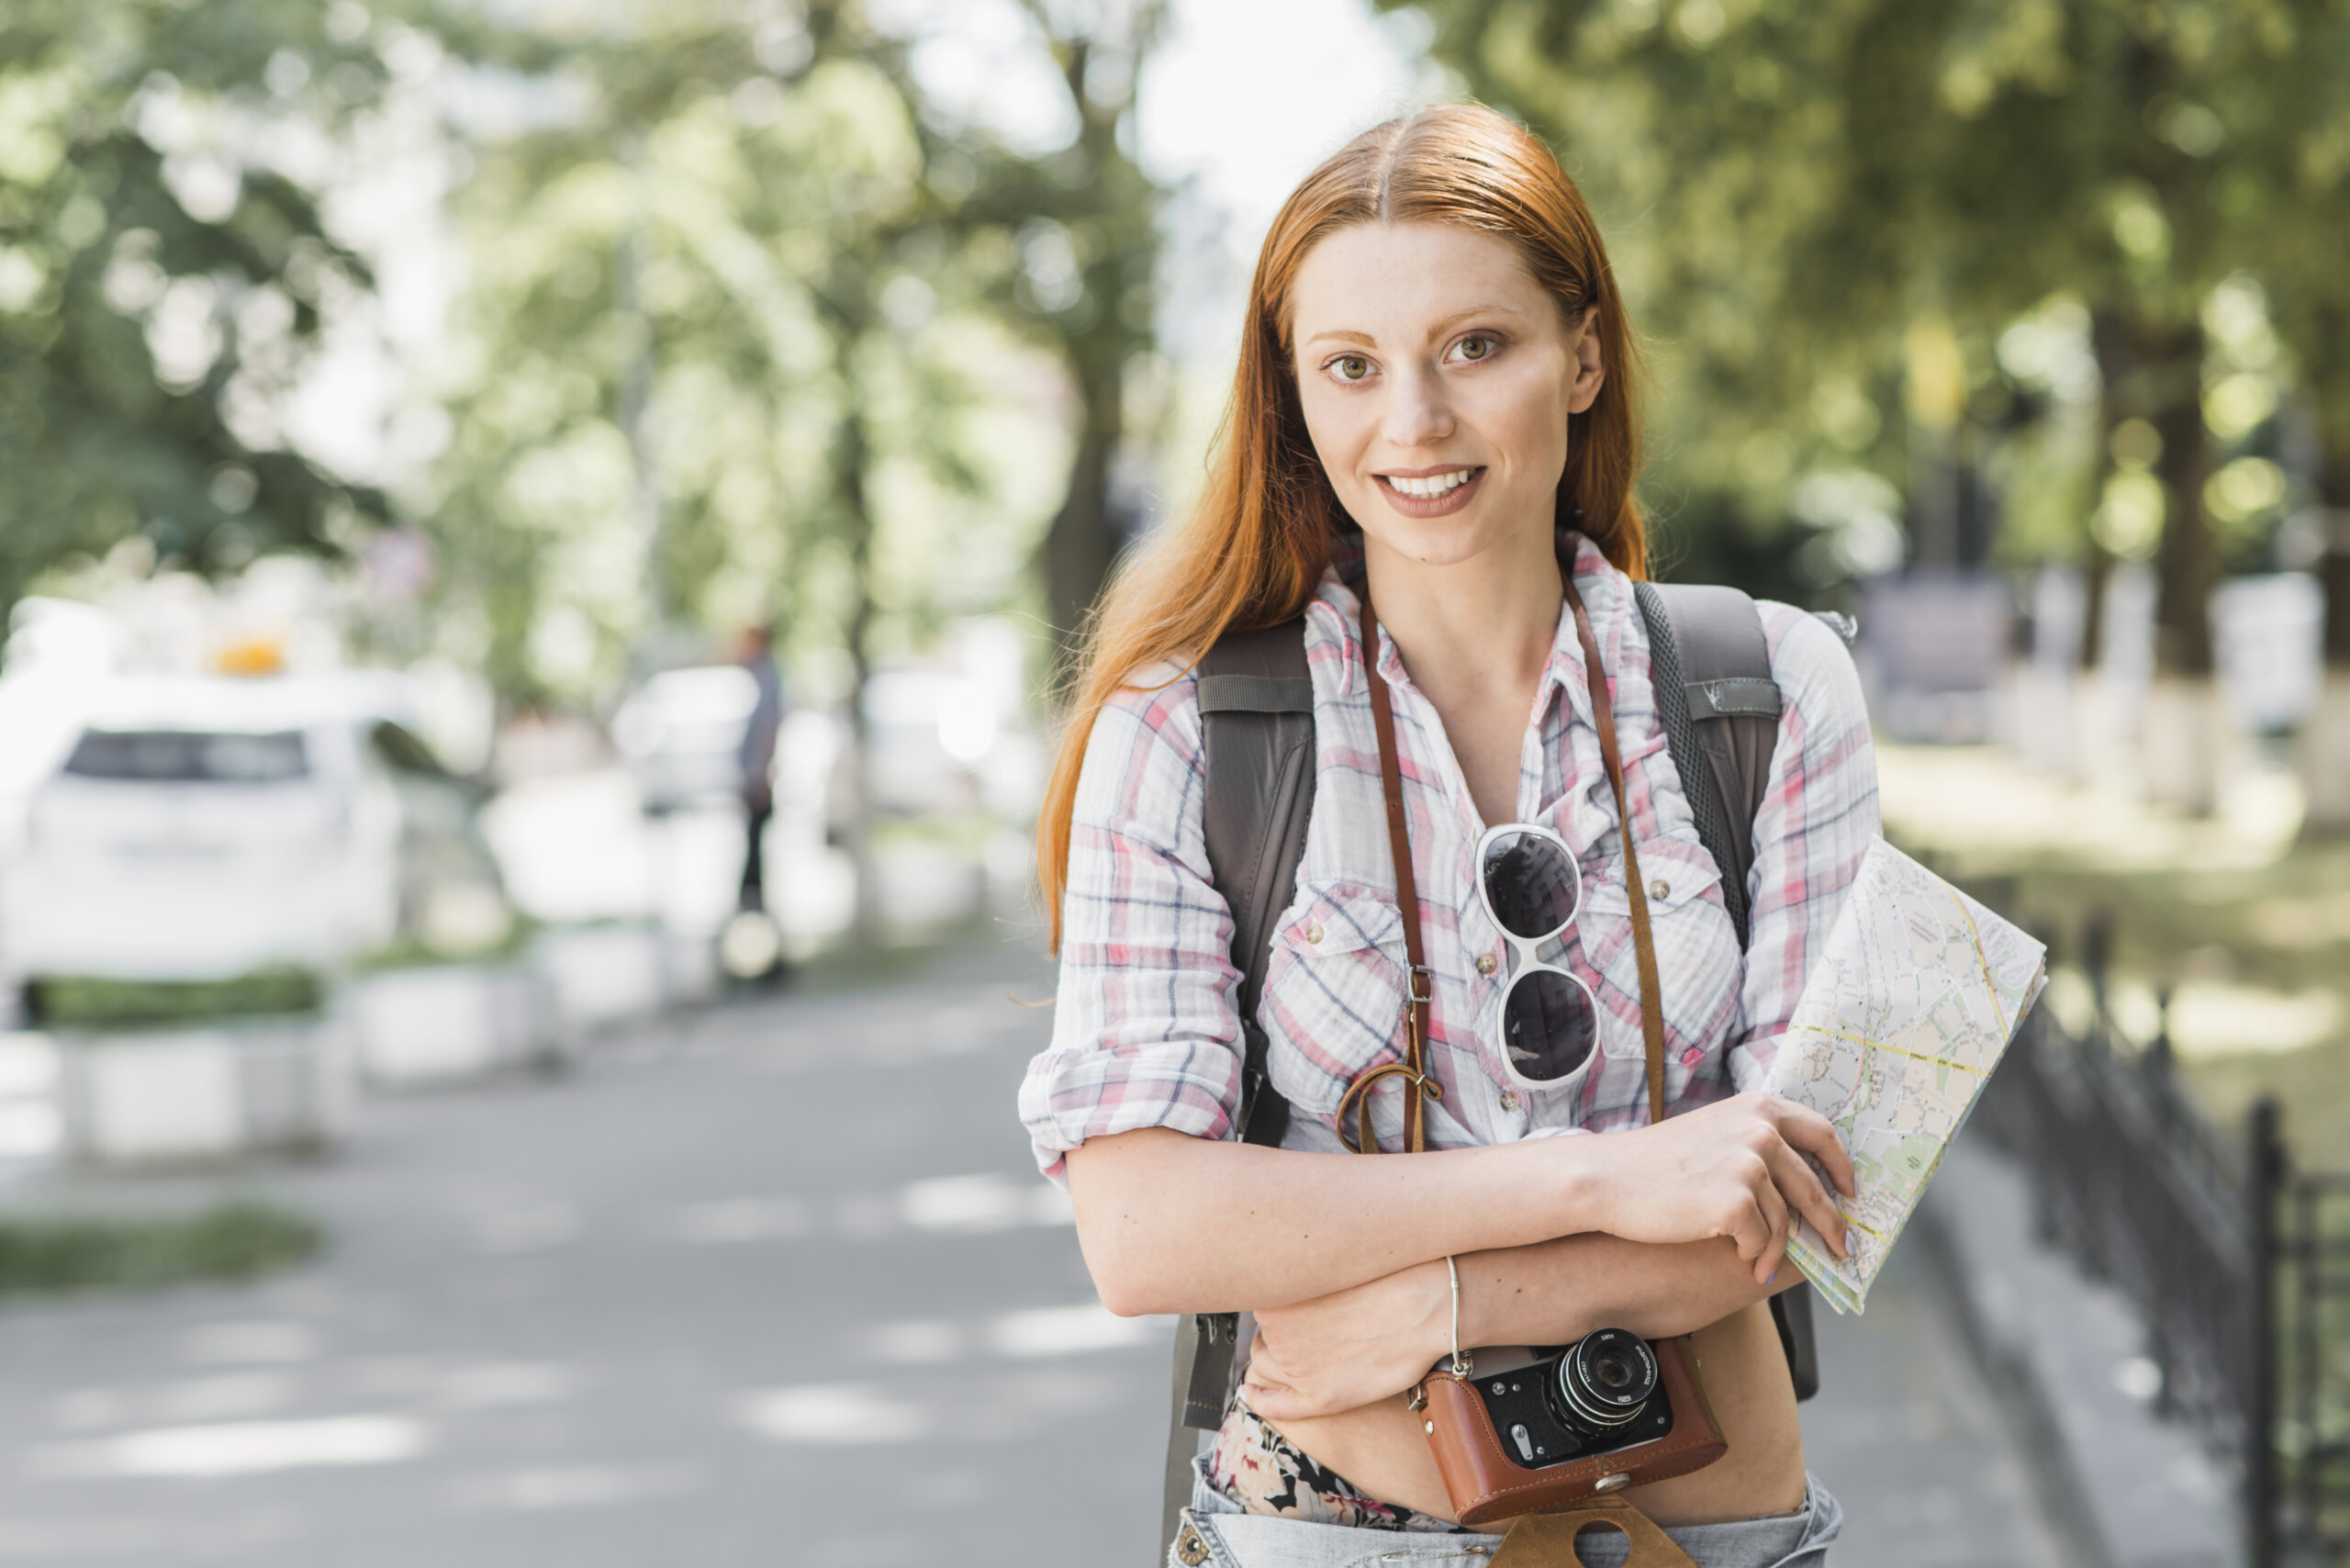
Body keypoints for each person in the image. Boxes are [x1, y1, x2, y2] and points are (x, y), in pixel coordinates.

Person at [1019, 106, 1879, 1567]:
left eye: (1476, 347)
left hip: (1714, 1539)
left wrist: (1441, 1303)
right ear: (1293, 397)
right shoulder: (1184, 733)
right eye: (1350, 367)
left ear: (1585, 356)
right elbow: (1147, 1230)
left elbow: (1830, 1188)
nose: (1411, 423)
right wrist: (1605, 1183)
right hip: (1335, 1538)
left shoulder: (1772, 691)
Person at [735, 622, 784, 913]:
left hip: (757, 780)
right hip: (754, 777)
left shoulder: (768, 678)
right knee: (752, 843)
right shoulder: (759, 677)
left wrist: (762, 776)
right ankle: (751, 901)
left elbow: (768, 730)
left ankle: (752, 903)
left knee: (755, 844)